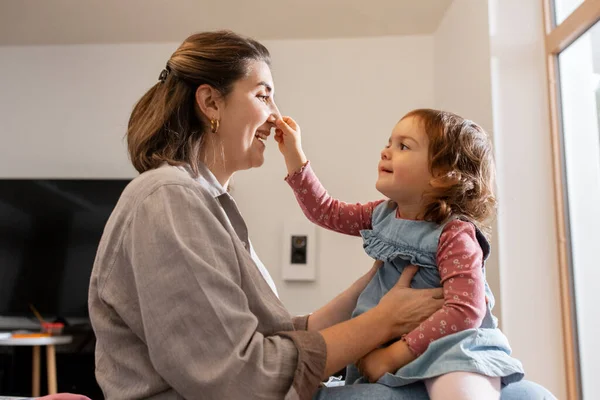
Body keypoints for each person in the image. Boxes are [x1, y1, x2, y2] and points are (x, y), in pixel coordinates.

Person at [88, 30, 555, 399]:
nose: (276, 116)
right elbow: (235, 375)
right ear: (210, 103)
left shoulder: (204, 203)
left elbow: (260, 337)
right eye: (264, 95)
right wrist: (383, 325)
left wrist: (378, 289)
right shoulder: (167, 196)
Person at [274, 110, 548, 400]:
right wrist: (294, 154)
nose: (386, 151)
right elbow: (326, 211)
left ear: (443, 174)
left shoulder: (454, 234)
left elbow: (465, 310)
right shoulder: (381, 215)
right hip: (395, 354)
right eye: (389, 143)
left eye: (403, 146)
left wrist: (393, 355)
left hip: (453, 351)